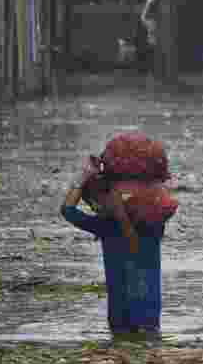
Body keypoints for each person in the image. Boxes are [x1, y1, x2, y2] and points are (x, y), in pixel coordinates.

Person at [60, 134, 176, 336]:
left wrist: (84, 177)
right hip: (149, 320)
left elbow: (68, 210)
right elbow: (151, 203)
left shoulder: (106, 227)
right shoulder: (154, 224)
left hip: (119, 321)